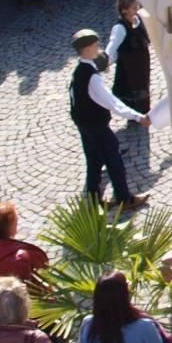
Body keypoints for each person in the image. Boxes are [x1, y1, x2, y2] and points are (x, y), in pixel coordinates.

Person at [68, 28, 151, 209]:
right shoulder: (92, 77)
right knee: (114, 159)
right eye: (95, 45)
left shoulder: (79, 71)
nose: (98, 47)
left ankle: (93, 201)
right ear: (87, 49)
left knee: (94, 161)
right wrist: (138, 117)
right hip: (95, 125)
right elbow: (112, 103)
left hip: (84, 124)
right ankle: (124, 198)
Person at [0, 202, 49, 298]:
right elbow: (33, 289)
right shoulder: (19, 258)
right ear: (8, 228)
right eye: (15, 222)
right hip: (15, 305)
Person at [105, 0, 153, 114]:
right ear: (124, 10)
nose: (137, 9)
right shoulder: (120, 28)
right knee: (132, 88)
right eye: (134, 7)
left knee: (143, 85)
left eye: (137, 6)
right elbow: (112, 47)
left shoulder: (138, 19)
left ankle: (144, 111)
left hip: (141, 63)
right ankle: (136, 115)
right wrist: (105, 62)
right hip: (129, 66)